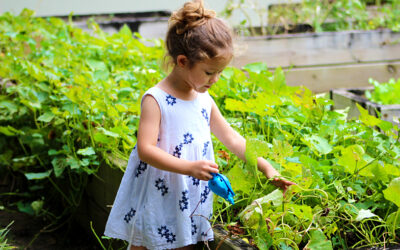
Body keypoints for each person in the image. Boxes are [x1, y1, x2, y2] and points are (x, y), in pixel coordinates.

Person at [104, 1, 295, 249]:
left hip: (188, 193)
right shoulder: (156, 100)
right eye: (208, 72)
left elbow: (233, 139)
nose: (215, 80)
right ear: (182, 61)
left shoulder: (204, 100)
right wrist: (189, 167)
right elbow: (146, 149)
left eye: (220, 73)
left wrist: (267, 167)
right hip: (159, 190)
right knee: (145, 243)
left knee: (186, 241)